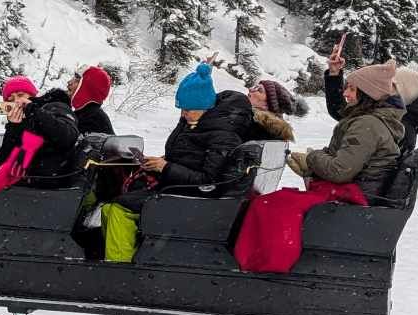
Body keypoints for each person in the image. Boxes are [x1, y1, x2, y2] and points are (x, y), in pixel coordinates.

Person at [100, 62, 254, 263]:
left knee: (120, 210)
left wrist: (166, 167)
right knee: (108, 209)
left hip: (188, 197)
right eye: (181, 109)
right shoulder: (192, 125)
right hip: (174, 188)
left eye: (188, 109)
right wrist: (159, 163)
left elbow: (208, 181)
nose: (183, 114)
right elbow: (185, 158)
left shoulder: (222, 135)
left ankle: (120, 268)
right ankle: (124, 256)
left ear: (205, 106)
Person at [289, 59, 403, 197]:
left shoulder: (367, 124)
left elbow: (340, 171)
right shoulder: (369, 118)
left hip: (350, 200)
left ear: (368, 94)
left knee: (269, 207)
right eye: (346, 87)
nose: (345, 93)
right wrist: (312, 169)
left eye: (352, 89)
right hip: (352, 194)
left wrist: (311, 159)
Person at [324, 39, 418, 153]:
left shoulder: (396, 127)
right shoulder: (385, 115)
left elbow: (348, 166)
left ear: (403, 94)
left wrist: (315, 158)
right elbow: (342, 111)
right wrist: (334, 74)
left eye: (390, 86)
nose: (381, 87)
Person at [0, 76, 82, 183]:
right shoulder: (19, 123)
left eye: (21, 95)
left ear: (33, 96)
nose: (16, 101)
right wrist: (13, 128)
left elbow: (68, 136)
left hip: (55, 186)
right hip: (28, 189)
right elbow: (6, 166)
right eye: (11, 100)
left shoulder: (54, 106)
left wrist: (33, 110)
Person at [247, 78, 299, 143]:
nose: (250, 89)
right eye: (255, 87)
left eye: (259, 90)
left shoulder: (254, 124)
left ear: (266, 106)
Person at [68, 66, 115, 135]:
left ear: (87, 88)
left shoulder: (93, 119)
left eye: (77, 80)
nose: (69, 82)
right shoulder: (84, 113)